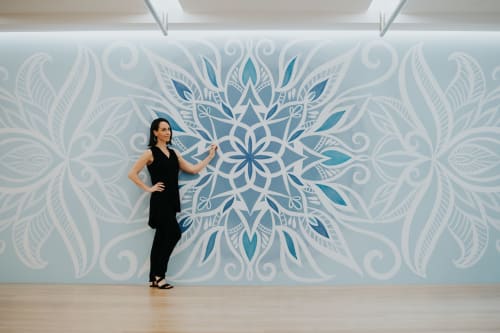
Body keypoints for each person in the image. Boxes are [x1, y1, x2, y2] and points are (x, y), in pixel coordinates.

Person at [128, 117, 217, 289]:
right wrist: (148, 188)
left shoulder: (174, 153)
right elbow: (132, 173)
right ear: (155, 133)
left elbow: (192, 169)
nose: (167, 132)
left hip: (171, 200)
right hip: (160, 200)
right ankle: (159, 275)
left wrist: (210, 156)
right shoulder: (150, 153)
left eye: (168, 129)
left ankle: (155, 277)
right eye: (163, 129)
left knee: (161, 239)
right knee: (174, 233)